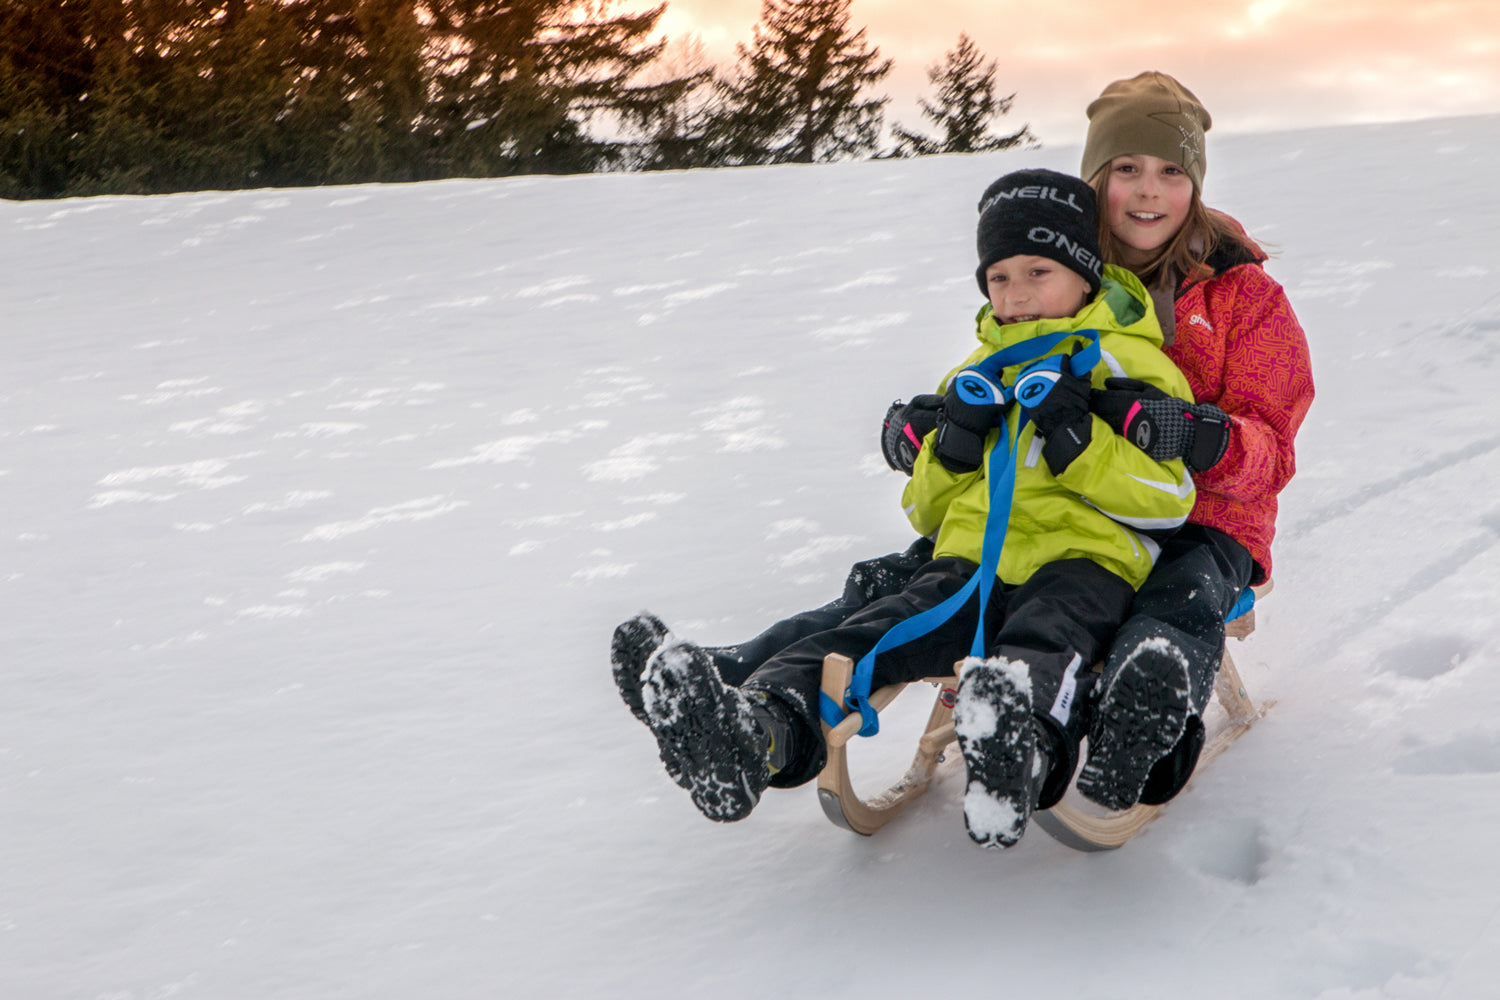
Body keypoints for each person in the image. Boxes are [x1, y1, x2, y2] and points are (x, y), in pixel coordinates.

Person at [615, 71, 1314, 821]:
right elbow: (970, 414)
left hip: (1196, 518)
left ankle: (1135, 726)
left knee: (1168, 602)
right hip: (1018, 520)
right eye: (1126, 168)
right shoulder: (1052, 273)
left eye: (1170, 170)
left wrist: (1200, 437)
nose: (1148, 190)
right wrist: (931, 433)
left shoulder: (1239, 296)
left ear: (1195, 185)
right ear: (1094, 182)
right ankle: (752, 697)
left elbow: (1271, 446)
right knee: (895, 584)